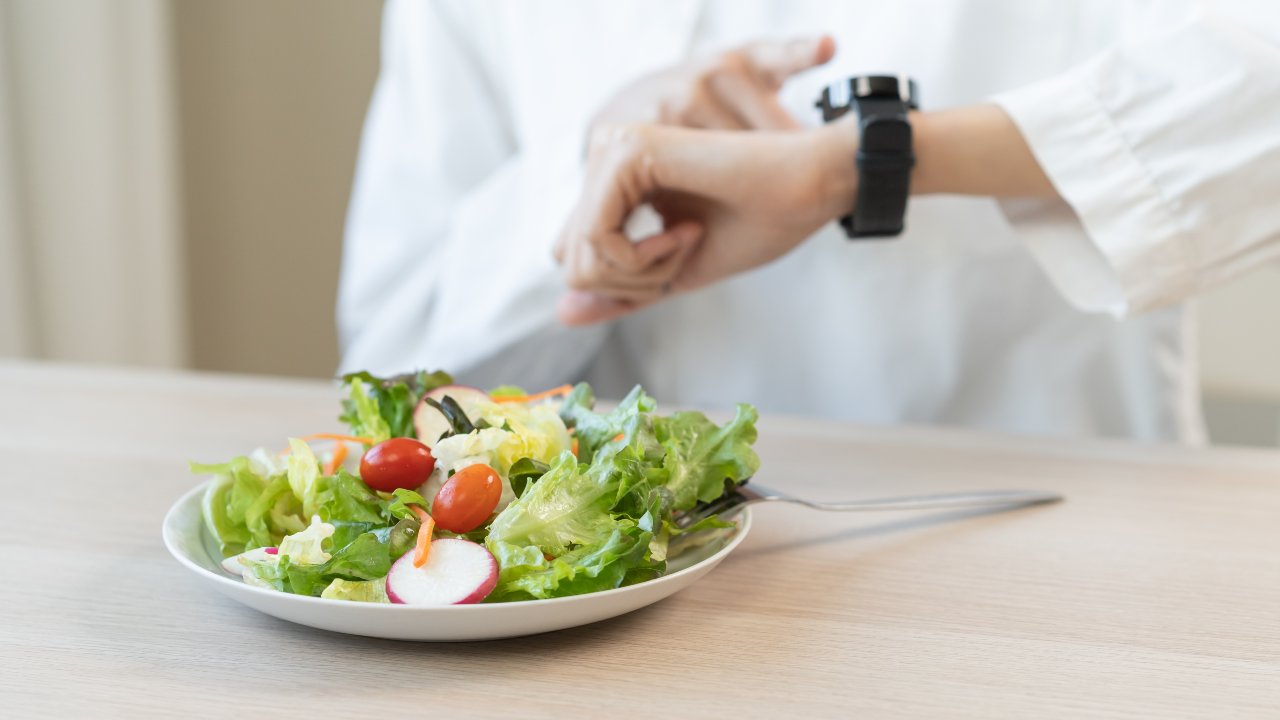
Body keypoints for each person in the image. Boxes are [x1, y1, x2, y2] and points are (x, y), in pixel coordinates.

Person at [337, 0, 1280, 443]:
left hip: (1049, 559)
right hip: (629, 613)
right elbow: (392, 363)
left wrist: (870, 165)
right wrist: (588, 169)